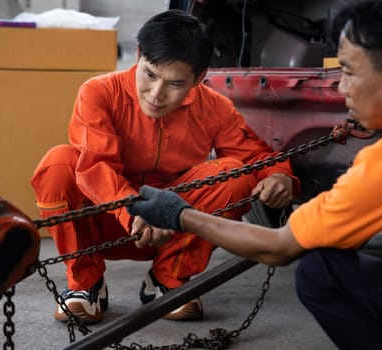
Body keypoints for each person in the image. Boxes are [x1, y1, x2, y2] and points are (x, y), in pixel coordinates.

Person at [127, 0, 382, 349]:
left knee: (321, 271)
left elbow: (281, 246)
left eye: (349, 72)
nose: (342, 88)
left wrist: (180, 214)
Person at [30, 9, 299, 324]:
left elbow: (255, 155)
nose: (156, 94)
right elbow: (95, 165)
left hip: (175, 229)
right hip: (107, 225)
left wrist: (280, 176)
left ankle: (168, 281)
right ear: (140, 55)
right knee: (58, 164)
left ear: (198, 79)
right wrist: (133, 211)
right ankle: (86, 285)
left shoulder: (216, 107)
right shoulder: (98, 92)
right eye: (150, 74)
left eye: (174, 83)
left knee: (232, 176)